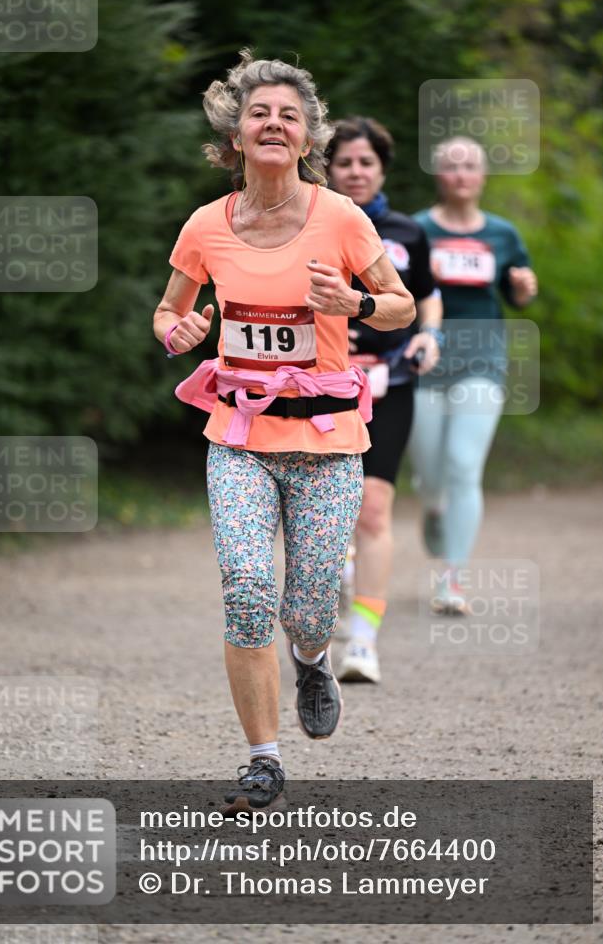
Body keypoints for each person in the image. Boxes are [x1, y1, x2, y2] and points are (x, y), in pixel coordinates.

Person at [153, 51, 415, 809]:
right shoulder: (207, 224)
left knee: (305, 606)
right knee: (244, 588)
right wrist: (179, 332)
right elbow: (169, 312)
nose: (272, 123)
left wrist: (354, 306)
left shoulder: (341, 218)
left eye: (288, 116)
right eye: (259, 112)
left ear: (307, 140)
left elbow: (399, 303)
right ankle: (262, 758)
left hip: (328, 444)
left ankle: (311, 656)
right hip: (237, 438)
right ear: (235, 133)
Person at [325, 117, 443, 684]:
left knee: (373, 509)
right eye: (344, 162)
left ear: (381, 168)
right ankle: (338, 579)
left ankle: (364, 641)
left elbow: (426, 297)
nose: (355, 171)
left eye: (365, 162)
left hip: (389, 386)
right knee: (331, 513)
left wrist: (428, 335)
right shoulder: (308, 224)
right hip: (320, 387)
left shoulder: (408, 232)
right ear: (327, 168)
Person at [409, 136, 538, 612]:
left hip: (482, 362)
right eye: (451, 165)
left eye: (470, 166)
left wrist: (524, 287)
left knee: (465, 465)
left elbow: (517, 291)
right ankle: (433, 508)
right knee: (429, 475)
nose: (461, 174)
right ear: (438, 175)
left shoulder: (503, 234)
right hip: (425, 363)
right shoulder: (417, 230)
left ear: (482, 176)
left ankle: (452, 578)